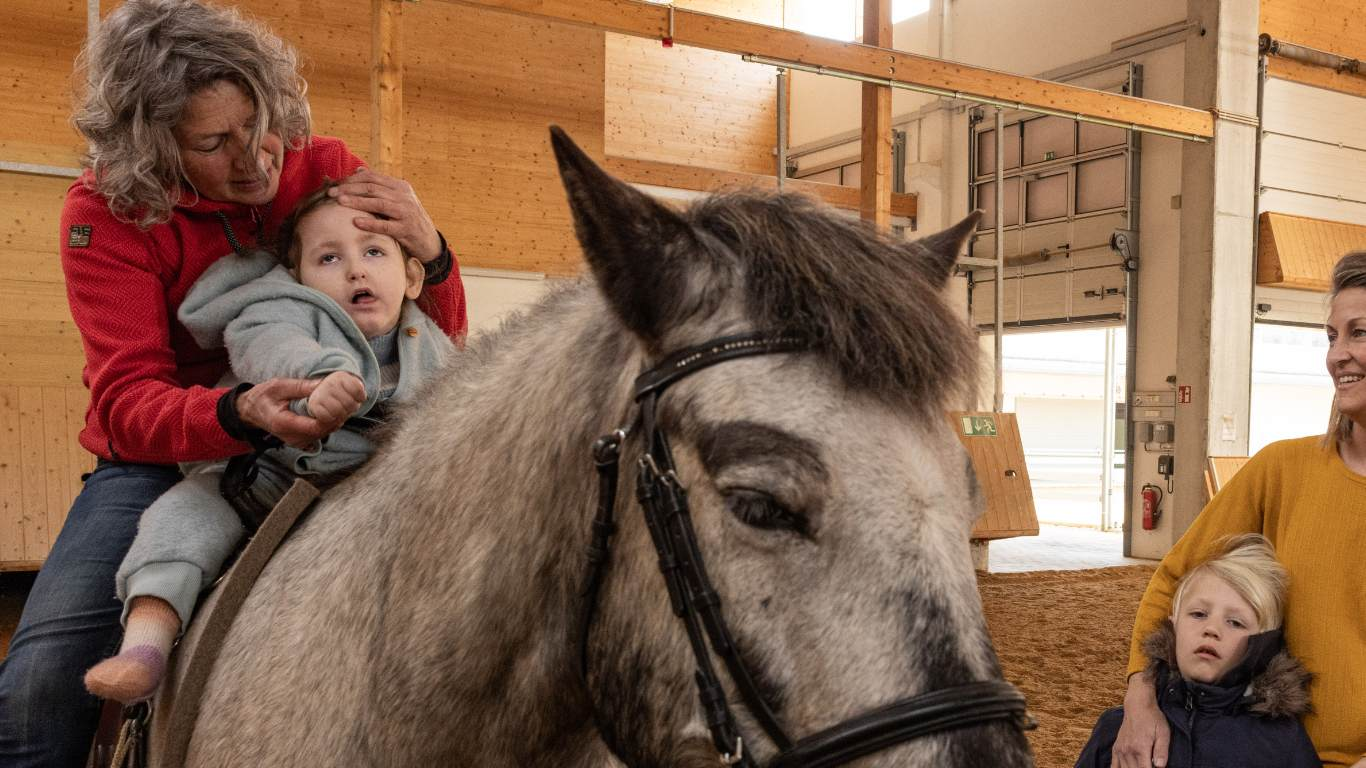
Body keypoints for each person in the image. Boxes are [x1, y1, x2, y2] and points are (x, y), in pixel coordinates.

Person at [0, 1, 467, 764]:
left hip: (354, 434)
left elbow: (433, 332)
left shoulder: (329, 168)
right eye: (215, 144)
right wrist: (239, 412)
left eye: (261, 127)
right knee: (38, 690)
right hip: (171, 457)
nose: (255, 161)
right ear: (155, 148)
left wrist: (435, 251)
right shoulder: (107, 212)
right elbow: (125, 402)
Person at [83, 183, 455, 704]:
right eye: (329, 258)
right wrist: (318, 377)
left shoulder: (433, 345)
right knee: (184, 519)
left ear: (412, 276)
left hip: (370, 491)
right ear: (298, 278)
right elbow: (269, 347)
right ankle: (147, 642)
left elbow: (456, 405)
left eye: (374, 252)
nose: (356, 271)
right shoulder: (283, 311)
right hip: (266, 478)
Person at [1108, 251, 1366, 768]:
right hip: (1257, 755)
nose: (1337, 355)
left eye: (1358, 333)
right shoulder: (1281, 469)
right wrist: (1140, 699)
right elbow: (1173, 578)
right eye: (1330, 337)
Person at [1076, 534, 1319, 768]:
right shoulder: (1118, 728)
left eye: (1235, 622)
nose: (1211, 629)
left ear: (1263, 644)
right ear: (1174, 624)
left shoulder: (1281, 741)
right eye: (1199, 614)